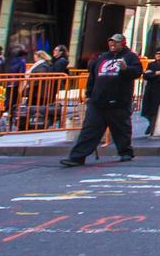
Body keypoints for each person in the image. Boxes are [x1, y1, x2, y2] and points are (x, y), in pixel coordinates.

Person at [60, 33, 142, 167]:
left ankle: (125, 152)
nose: (112, 44)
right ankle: (77, 157)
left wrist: (126, 69)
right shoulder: (102, 58)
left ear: (123, 43)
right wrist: (88, 94)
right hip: (97, 101)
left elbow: (138, 72)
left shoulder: (130, 57)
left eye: (115, 42)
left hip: (119, 101)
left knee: (121, 129)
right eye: (111, 42)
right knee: (89, 130)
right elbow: (92, 77)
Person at [140, 47, 160, 135]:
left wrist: (152, 74)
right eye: (157, 54)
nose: (158, 55)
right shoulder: (151, 64)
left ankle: (153, 128)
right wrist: (156, 74)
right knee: (146, 111)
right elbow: (145, 76)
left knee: (155, 111)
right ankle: (151, 125)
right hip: (150, 89)